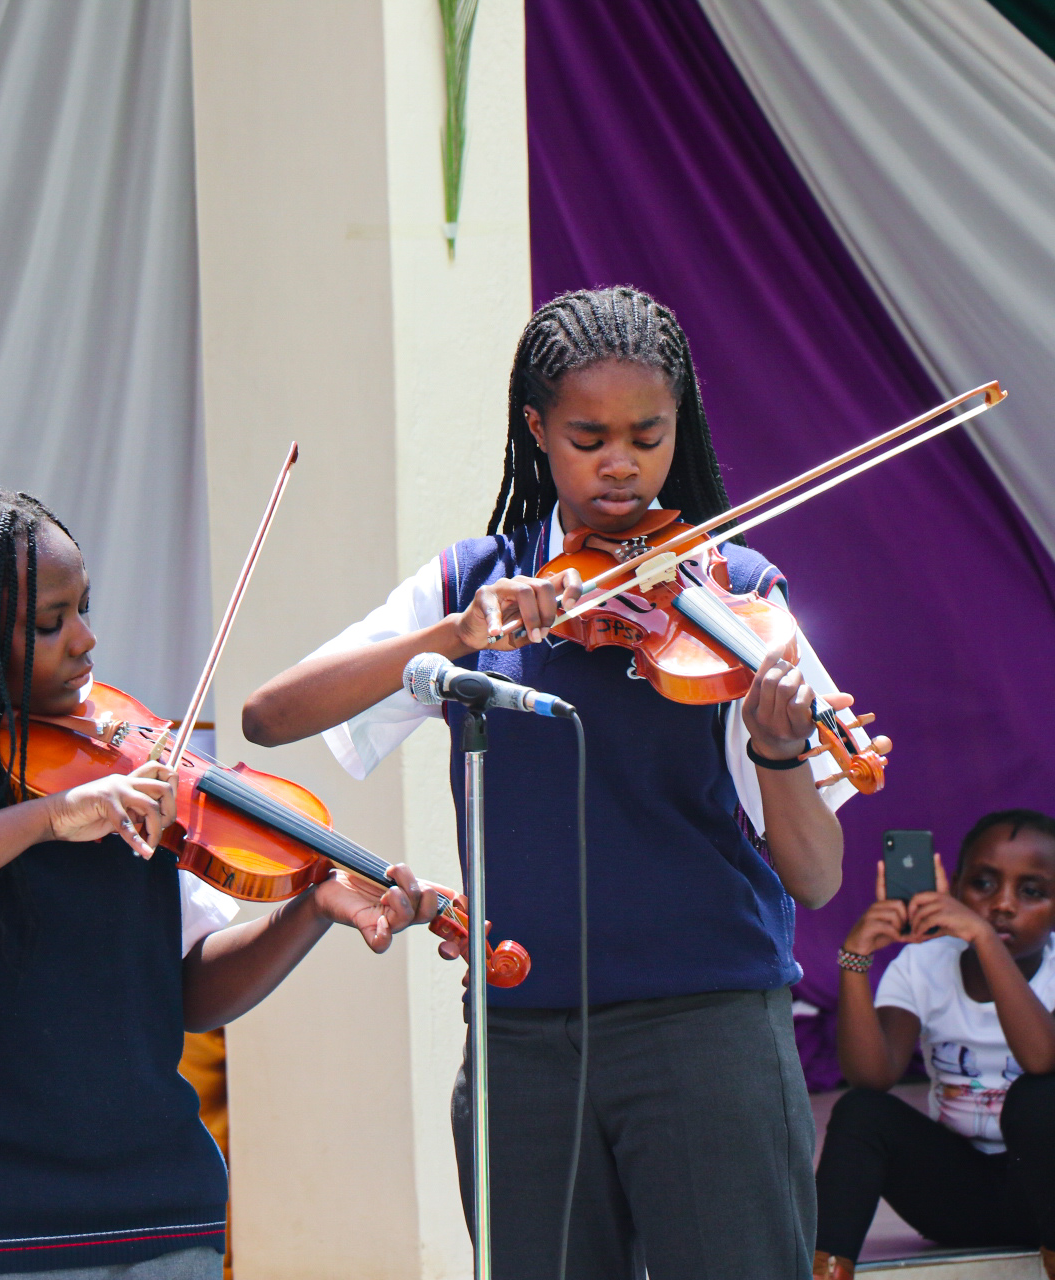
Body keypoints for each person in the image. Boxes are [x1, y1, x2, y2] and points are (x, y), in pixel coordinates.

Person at [241, 286, 865, 1278]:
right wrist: (459, 635)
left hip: (706, 1029)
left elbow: (818, 876)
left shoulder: (734, 595)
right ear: (536, 430)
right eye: (588, 437)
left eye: (647, 436)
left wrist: (781, 750)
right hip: (521, 1039)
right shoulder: (472, 584)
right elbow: (270, 715)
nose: (621, 463)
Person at [0, 484, 441, 1280]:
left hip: (155, 1228)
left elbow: (188, 994)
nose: (86, 640)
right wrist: (46, 818)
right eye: (49, 623)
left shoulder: (130, 771)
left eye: (84, 610)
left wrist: (306, 912)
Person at [815, 810, 1055, 1279]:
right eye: (983, 884)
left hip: (1046, 1192)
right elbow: (872, 1077)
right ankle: (824, 1268)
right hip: (959, 1199)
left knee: (1039, 1095)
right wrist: (854, 958)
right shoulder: (923, 965)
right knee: (861, 1111)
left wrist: (983, 938)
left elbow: (1042, 1057)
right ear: (955, 887)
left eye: (1032, 891)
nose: (1003, 904)